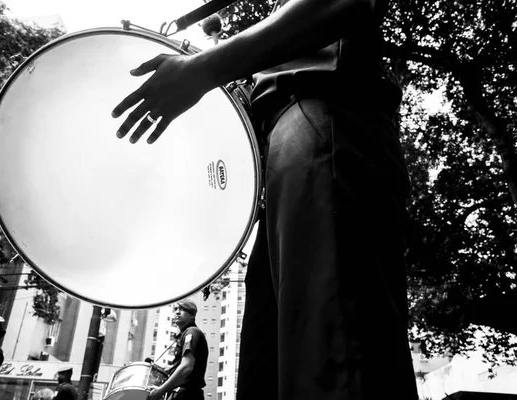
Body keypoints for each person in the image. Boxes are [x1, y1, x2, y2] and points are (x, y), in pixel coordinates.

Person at [112, 1, 419, 400]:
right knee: (267, 372)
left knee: (334, 353)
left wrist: (204, 69)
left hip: (323, 119)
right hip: (285, 153)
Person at [147, 299, 208, 400]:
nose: (177, 312)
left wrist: (160, 391)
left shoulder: (191, 332)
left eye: (183, 309)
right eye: (176, 309)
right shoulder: (184, 334)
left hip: (188, 395)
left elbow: (186, 367)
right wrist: (169, 369)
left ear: (192, 315)